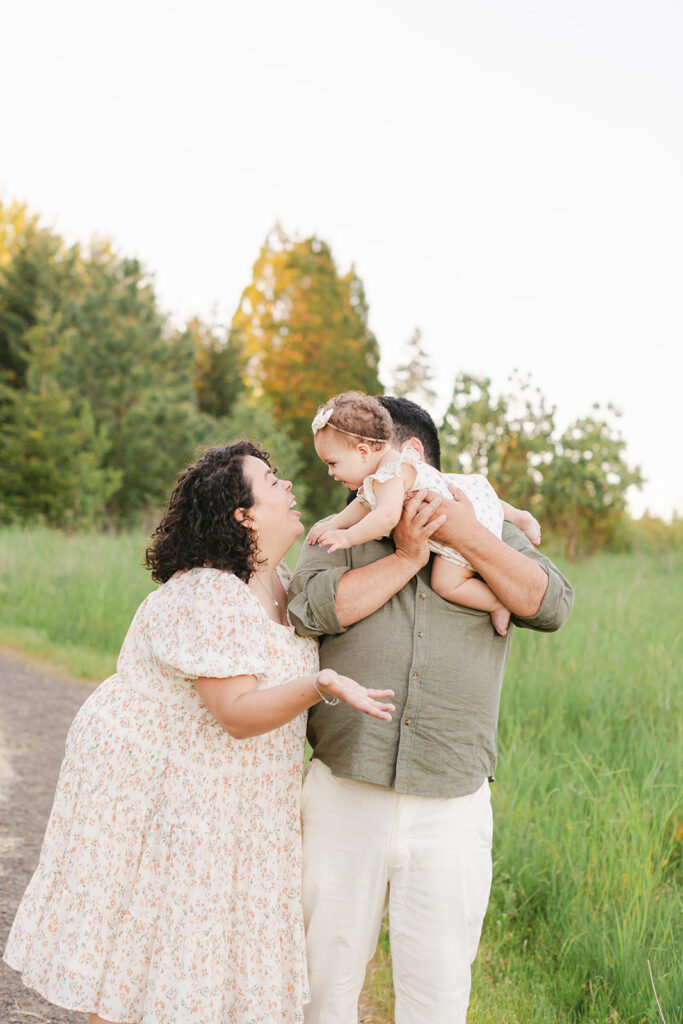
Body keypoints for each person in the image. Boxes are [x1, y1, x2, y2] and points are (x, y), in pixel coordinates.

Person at [3, 441, 395, 1024]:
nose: (289, 488)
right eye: (272, 481)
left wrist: (409, 554)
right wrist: (323, 685)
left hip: (232, 796)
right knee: (148, 954)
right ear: (242, 515)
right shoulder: (209, 590)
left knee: (194, 960)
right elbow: (237, 711)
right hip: (166, 790)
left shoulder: (283, 583)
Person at [287, 397, 574, 1024]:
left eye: (364, 472)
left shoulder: (486, 529)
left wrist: (461, 532)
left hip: (451, 801)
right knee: (320, 986)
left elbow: (549, 605)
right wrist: (408, 557)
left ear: (406, 459)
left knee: (438, 998)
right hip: (344, 792)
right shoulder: (344, 532)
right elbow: (304, 610)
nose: (357, 487)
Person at [309, 391, 541, 635]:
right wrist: (334, 523)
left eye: (332, 463)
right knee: (475, 495)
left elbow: (385, 517)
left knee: (446, 584)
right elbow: (362, 504)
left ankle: (496, 603)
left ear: (363, 452)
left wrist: (348, 537)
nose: (330, 473)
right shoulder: (381, 474)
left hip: (467, 525)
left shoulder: (391, 472)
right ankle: (517, 515)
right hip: (473, 498)